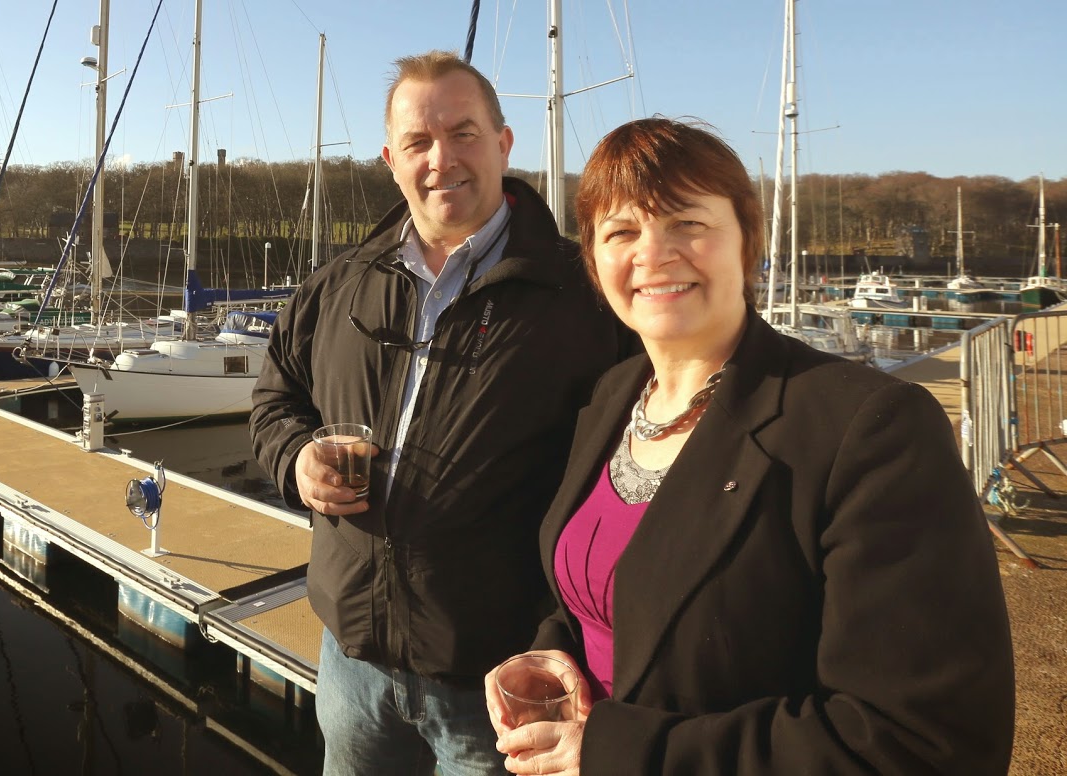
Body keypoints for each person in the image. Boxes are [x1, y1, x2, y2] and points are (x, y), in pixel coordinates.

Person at [484, 117, 1014, 775]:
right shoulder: (612, 399)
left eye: (688, 223)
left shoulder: (871, 431)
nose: (654, 252)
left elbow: (923, 740)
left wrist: (623, 753)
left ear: (748, 243)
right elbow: (602, 595)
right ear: (593, 263)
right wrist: (549, 653)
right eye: (622, 232)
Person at [251, 51, 633, 774]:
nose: (442, 159)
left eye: (463, 133)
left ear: (503, 143)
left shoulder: (583, 297)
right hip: (351, 660)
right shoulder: (337, 286)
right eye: (420, 143)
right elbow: (276, 398)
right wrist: (295, 458)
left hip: (496, 678)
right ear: (391, 159)